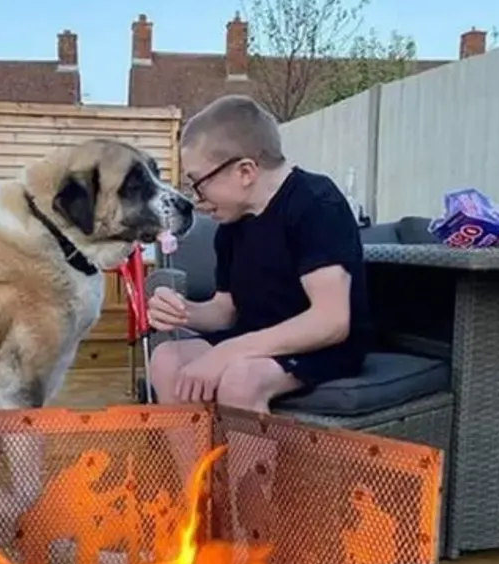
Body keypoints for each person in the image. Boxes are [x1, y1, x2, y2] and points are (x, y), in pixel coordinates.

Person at [147, 94, 372, 411]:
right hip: (256, 338)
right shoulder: (231, 225)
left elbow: (331, 321)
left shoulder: (315, 203)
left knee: (240, 379)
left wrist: (227, 352)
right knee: (167, 360)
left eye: (199, 183)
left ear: (245, 171)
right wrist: (183, 311)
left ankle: (246, 463)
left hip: (324, 346)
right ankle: (199, 462)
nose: (196, 199)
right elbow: (226, 311)